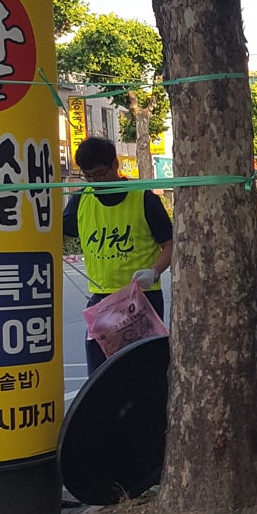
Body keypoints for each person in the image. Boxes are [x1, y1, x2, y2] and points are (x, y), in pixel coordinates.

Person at [62, 137, 174, 376]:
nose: (95, 182)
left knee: (144, 373)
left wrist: (154, 271)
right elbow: (60, 235)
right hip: (101, 302)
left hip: (142, 301)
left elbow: (171, 244)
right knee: (101, 375)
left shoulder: (143, 199)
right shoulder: (81, 200)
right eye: (88, 176)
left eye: (100, 174)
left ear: (115, 165)